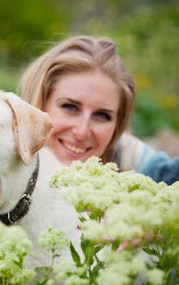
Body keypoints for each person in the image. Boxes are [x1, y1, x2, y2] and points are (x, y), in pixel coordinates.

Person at [18, 35, 178, 185]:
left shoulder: (124, 154)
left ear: (117, 127)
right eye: (70, 107)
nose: (82, 132)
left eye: (102, 115)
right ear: (38, 104)